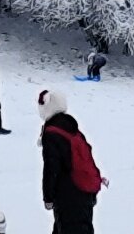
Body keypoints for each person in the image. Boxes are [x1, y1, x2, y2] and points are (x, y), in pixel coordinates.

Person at [39, 89, 104, 234]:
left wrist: (48, 196)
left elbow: (51, 167)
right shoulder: (71, 127)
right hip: (84, 192)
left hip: (68, 195)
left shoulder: (52, 133)